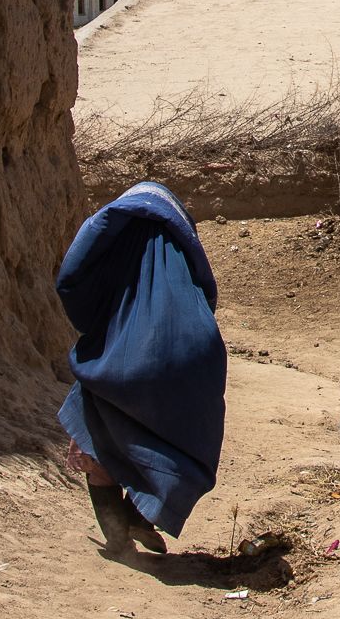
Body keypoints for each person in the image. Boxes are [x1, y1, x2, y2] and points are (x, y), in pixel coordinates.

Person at [55, 180, 226, 558]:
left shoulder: (110, 238)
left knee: (97, 433)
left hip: (122, 357)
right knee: (167, 437)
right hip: (195, 354)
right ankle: (138, 516)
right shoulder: (180, 245)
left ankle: (117, 534)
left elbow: (70, 280)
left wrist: (99, 319)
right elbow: (207, 291)